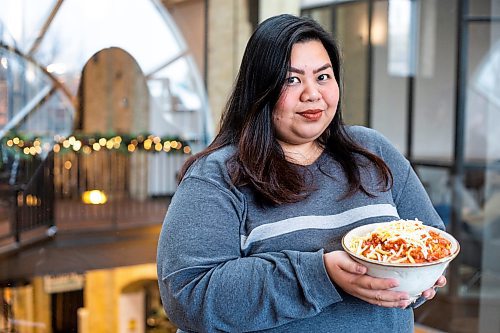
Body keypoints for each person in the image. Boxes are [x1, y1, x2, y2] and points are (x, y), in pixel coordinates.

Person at [157, 13, 446, 333]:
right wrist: (319, 275)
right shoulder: (218, 176)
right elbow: (188, 295)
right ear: (261, 90)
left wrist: (416, 280)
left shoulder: (372, 151)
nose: (312, 93)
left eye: (323, 77)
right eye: (291, 80)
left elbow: (431, 237)